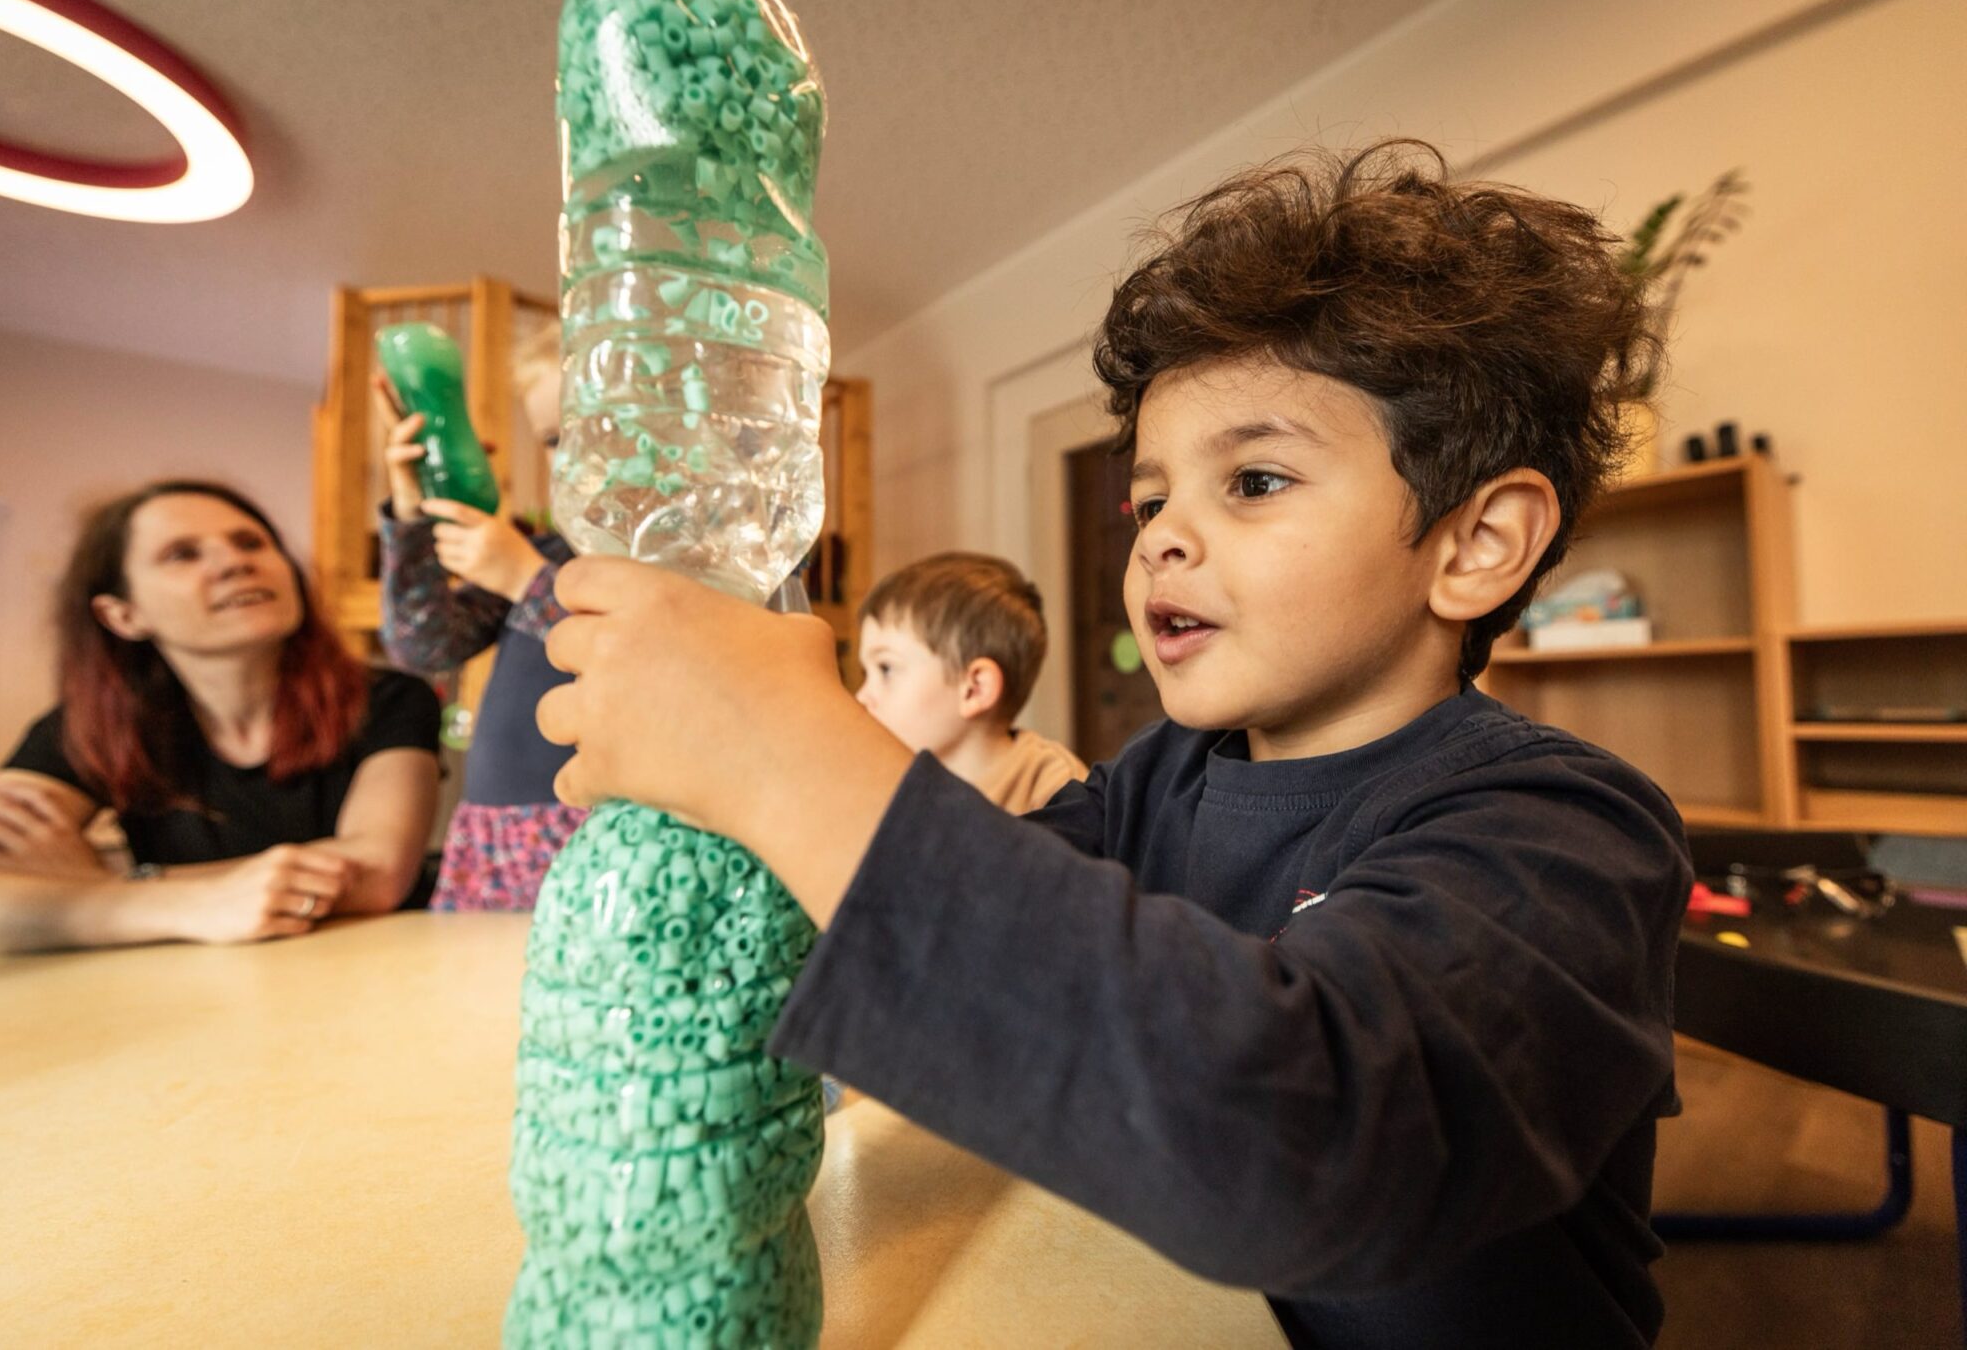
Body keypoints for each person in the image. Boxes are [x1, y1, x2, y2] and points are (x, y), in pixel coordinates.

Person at [532, 142, 1694, 1348]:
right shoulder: (1160, 782)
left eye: (1251, 479)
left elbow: (1313, 1136)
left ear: (1476, 543)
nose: (1158, 543)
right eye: (1147, 502)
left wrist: (787, 751)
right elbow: (979, 919)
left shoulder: (1567, 830)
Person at [0, 480, 442, 956]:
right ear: (122, 615)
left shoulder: (390, 698)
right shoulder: (86, 727)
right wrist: (190, 904)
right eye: (182, 554)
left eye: (251, 543)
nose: (235, 563)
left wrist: (114, 883)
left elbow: (377, 872)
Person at [377, 324, 586, 911]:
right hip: (499, 842)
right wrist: (411, 518)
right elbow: (423, 644)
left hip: (601, 834)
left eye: (600, 429)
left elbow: (644, 656)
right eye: (553, 438)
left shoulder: (677, 567)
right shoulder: (545, 552)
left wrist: (526, 579)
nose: (574, 457)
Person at [855, 552, 1086, 814]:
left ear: (975, 688)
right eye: (865, 673)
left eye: (885, 669)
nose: (861, 697)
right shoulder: (889, 781)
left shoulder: (1054, 787)